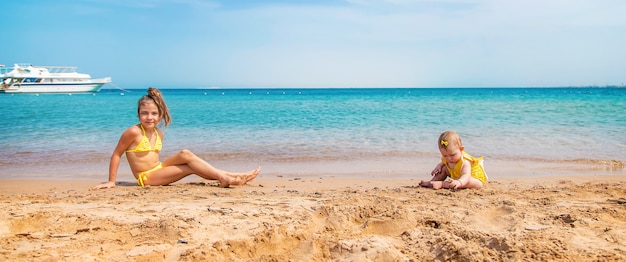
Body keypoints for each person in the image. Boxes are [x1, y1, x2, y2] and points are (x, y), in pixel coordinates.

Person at [92, 87, 260, 190]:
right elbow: (116, 154)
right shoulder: (133, 132)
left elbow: (155, 161)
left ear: (160, 115)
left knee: (185, 154)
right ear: (138, 114)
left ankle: (230, 175)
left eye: (154, 113)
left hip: (158, 168)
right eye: (144, 113)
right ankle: (227, 177)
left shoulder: (160, 133)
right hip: (146, 178)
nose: (149, 117)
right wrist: (111, 181)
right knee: (190, 168)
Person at [419, 131, 487, 190]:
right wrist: (438, 167)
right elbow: (443, 162)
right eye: (445, 155)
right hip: (457, 176)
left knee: (468, 181)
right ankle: (432, 182)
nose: (448, 158)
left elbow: (466, 175)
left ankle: (442, 184)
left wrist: (459, 182)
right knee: (443, 169)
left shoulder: (465, 162)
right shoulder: (447, 159)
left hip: (472, 178)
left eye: (452, 155)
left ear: (461, 149)